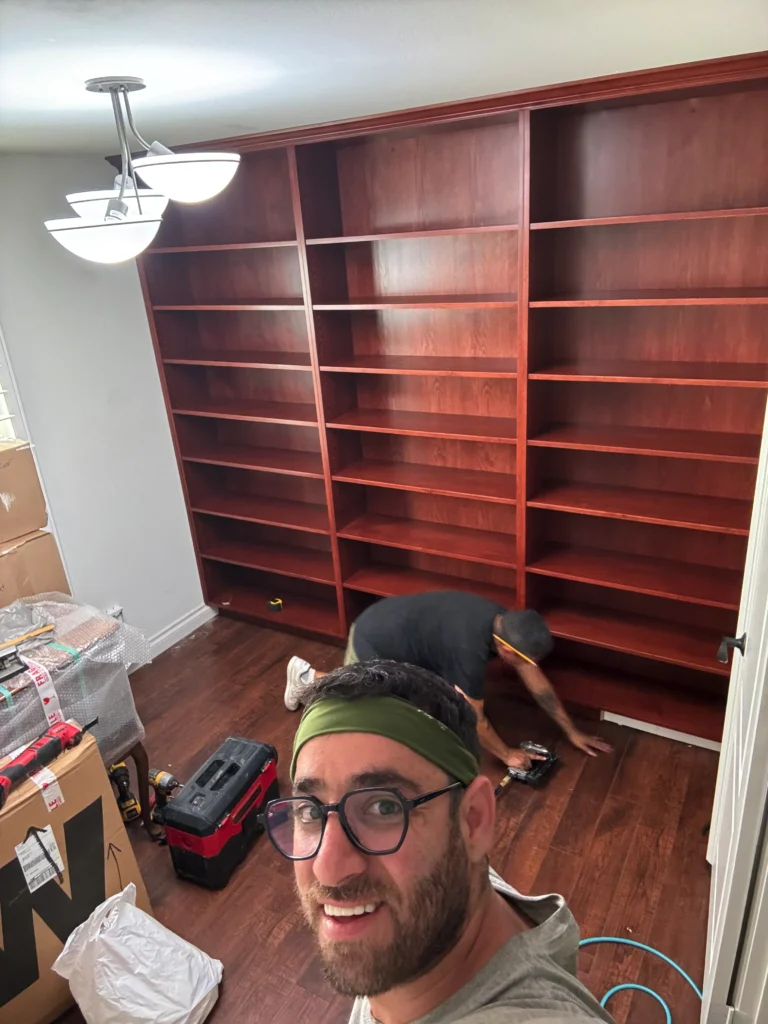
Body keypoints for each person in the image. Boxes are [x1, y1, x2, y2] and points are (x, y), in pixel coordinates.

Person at [263, 660, 614, 1023]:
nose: (328, 869)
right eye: (311, 812)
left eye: (384, 807)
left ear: (473, 820)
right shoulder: (438, 895)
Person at [285, 591, 611, 770]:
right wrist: (507, 755)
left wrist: (571, 731)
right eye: (524, 661)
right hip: (374, 637)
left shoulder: (505, 624)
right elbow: (476, 719)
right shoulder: (468, 649)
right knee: (367, 705)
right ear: (506, 650)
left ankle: (311, 677)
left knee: (409, 700)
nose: (529, 667)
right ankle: (306, 677)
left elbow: (535, 680)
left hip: (407, 637)